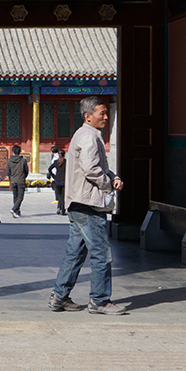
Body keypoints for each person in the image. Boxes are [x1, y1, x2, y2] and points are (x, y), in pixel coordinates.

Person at [50, 98, 127, 315]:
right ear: (88, 116)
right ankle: (99, 300)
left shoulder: (84, 134)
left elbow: (98, 166)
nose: (106, 117)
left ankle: (60, 296)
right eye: (102, 113)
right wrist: (107, 185)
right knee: (101, 253)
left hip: (78, 202)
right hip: (88, 203)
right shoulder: (89, 137)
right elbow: (91, 169)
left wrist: (112, 176)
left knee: (75, 252)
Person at [5, 144, 31, 218]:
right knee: (20, 197)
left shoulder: (9, 161)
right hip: (21, 180)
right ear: (19, 152)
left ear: (13, 152)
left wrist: (11, 178)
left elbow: (8, 171)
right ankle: (14, 209)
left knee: (15, 196)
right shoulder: (23, 160)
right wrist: (23, 177)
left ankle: (17, 211)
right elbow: (26, 171)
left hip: (13, 180)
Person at [48, 145, 68, 215]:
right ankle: (63, 209)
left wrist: (53, 176)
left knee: (59, 195)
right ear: (64, 155)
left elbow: (49, 169)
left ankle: (59, 208)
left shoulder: (56, 162)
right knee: (63, 196)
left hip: (57, 180)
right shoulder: (66, 162)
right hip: (64, 180)